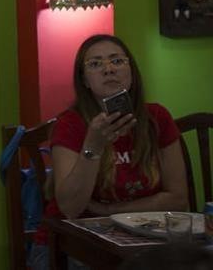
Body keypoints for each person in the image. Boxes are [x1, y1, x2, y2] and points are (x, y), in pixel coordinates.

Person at [28, 34, 187, 270]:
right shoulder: (70, 124)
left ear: (131, 72)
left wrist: (111, 211)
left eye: (117, 61)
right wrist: (94, 145)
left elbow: (178, 199)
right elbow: (71, 208)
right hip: (69, 245)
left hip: (143, 241)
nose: (108, 69)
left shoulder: (157, 118)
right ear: (85, 80)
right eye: (95, 64)